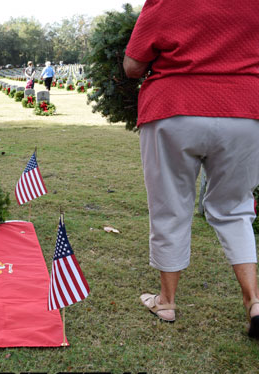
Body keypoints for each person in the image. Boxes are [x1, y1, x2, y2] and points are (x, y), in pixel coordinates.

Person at [124, 0, 259, 339]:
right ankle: (254, 302)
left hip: (174, 107)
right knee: (236, 208)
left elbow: (132, 66)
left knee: (170, 206)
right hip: (245, 109)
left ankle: (166, 302)